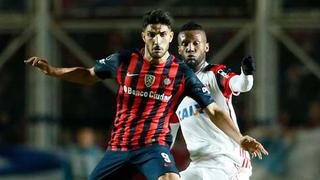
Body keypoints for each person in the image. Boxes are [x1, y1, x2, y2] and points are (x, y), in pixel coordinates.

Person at [24, 9, 267, 180]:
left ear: (170, 37)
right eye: (152, 34)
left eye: (162, 34)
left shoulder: (182, 73)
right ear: (144, 36)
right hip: (119, 147)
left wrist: (239, 138)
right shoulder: (123, 60)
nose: (157, 40)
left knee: (171, 179)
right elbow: (88, 74)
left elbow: (215, 108)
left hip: (153, 148)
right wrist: (54, 71)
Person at [170, 22, 257, 180]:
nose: (191, 48)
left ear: (206, 47)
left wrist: (247, 74)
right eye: (185, 44)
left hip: (228, 162)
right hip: (198, 164)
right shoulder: (175, 90)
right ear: (179, 49)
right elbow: (169, 134)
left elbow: (241, 85)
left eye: (196, 43)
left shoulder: (215, 74)